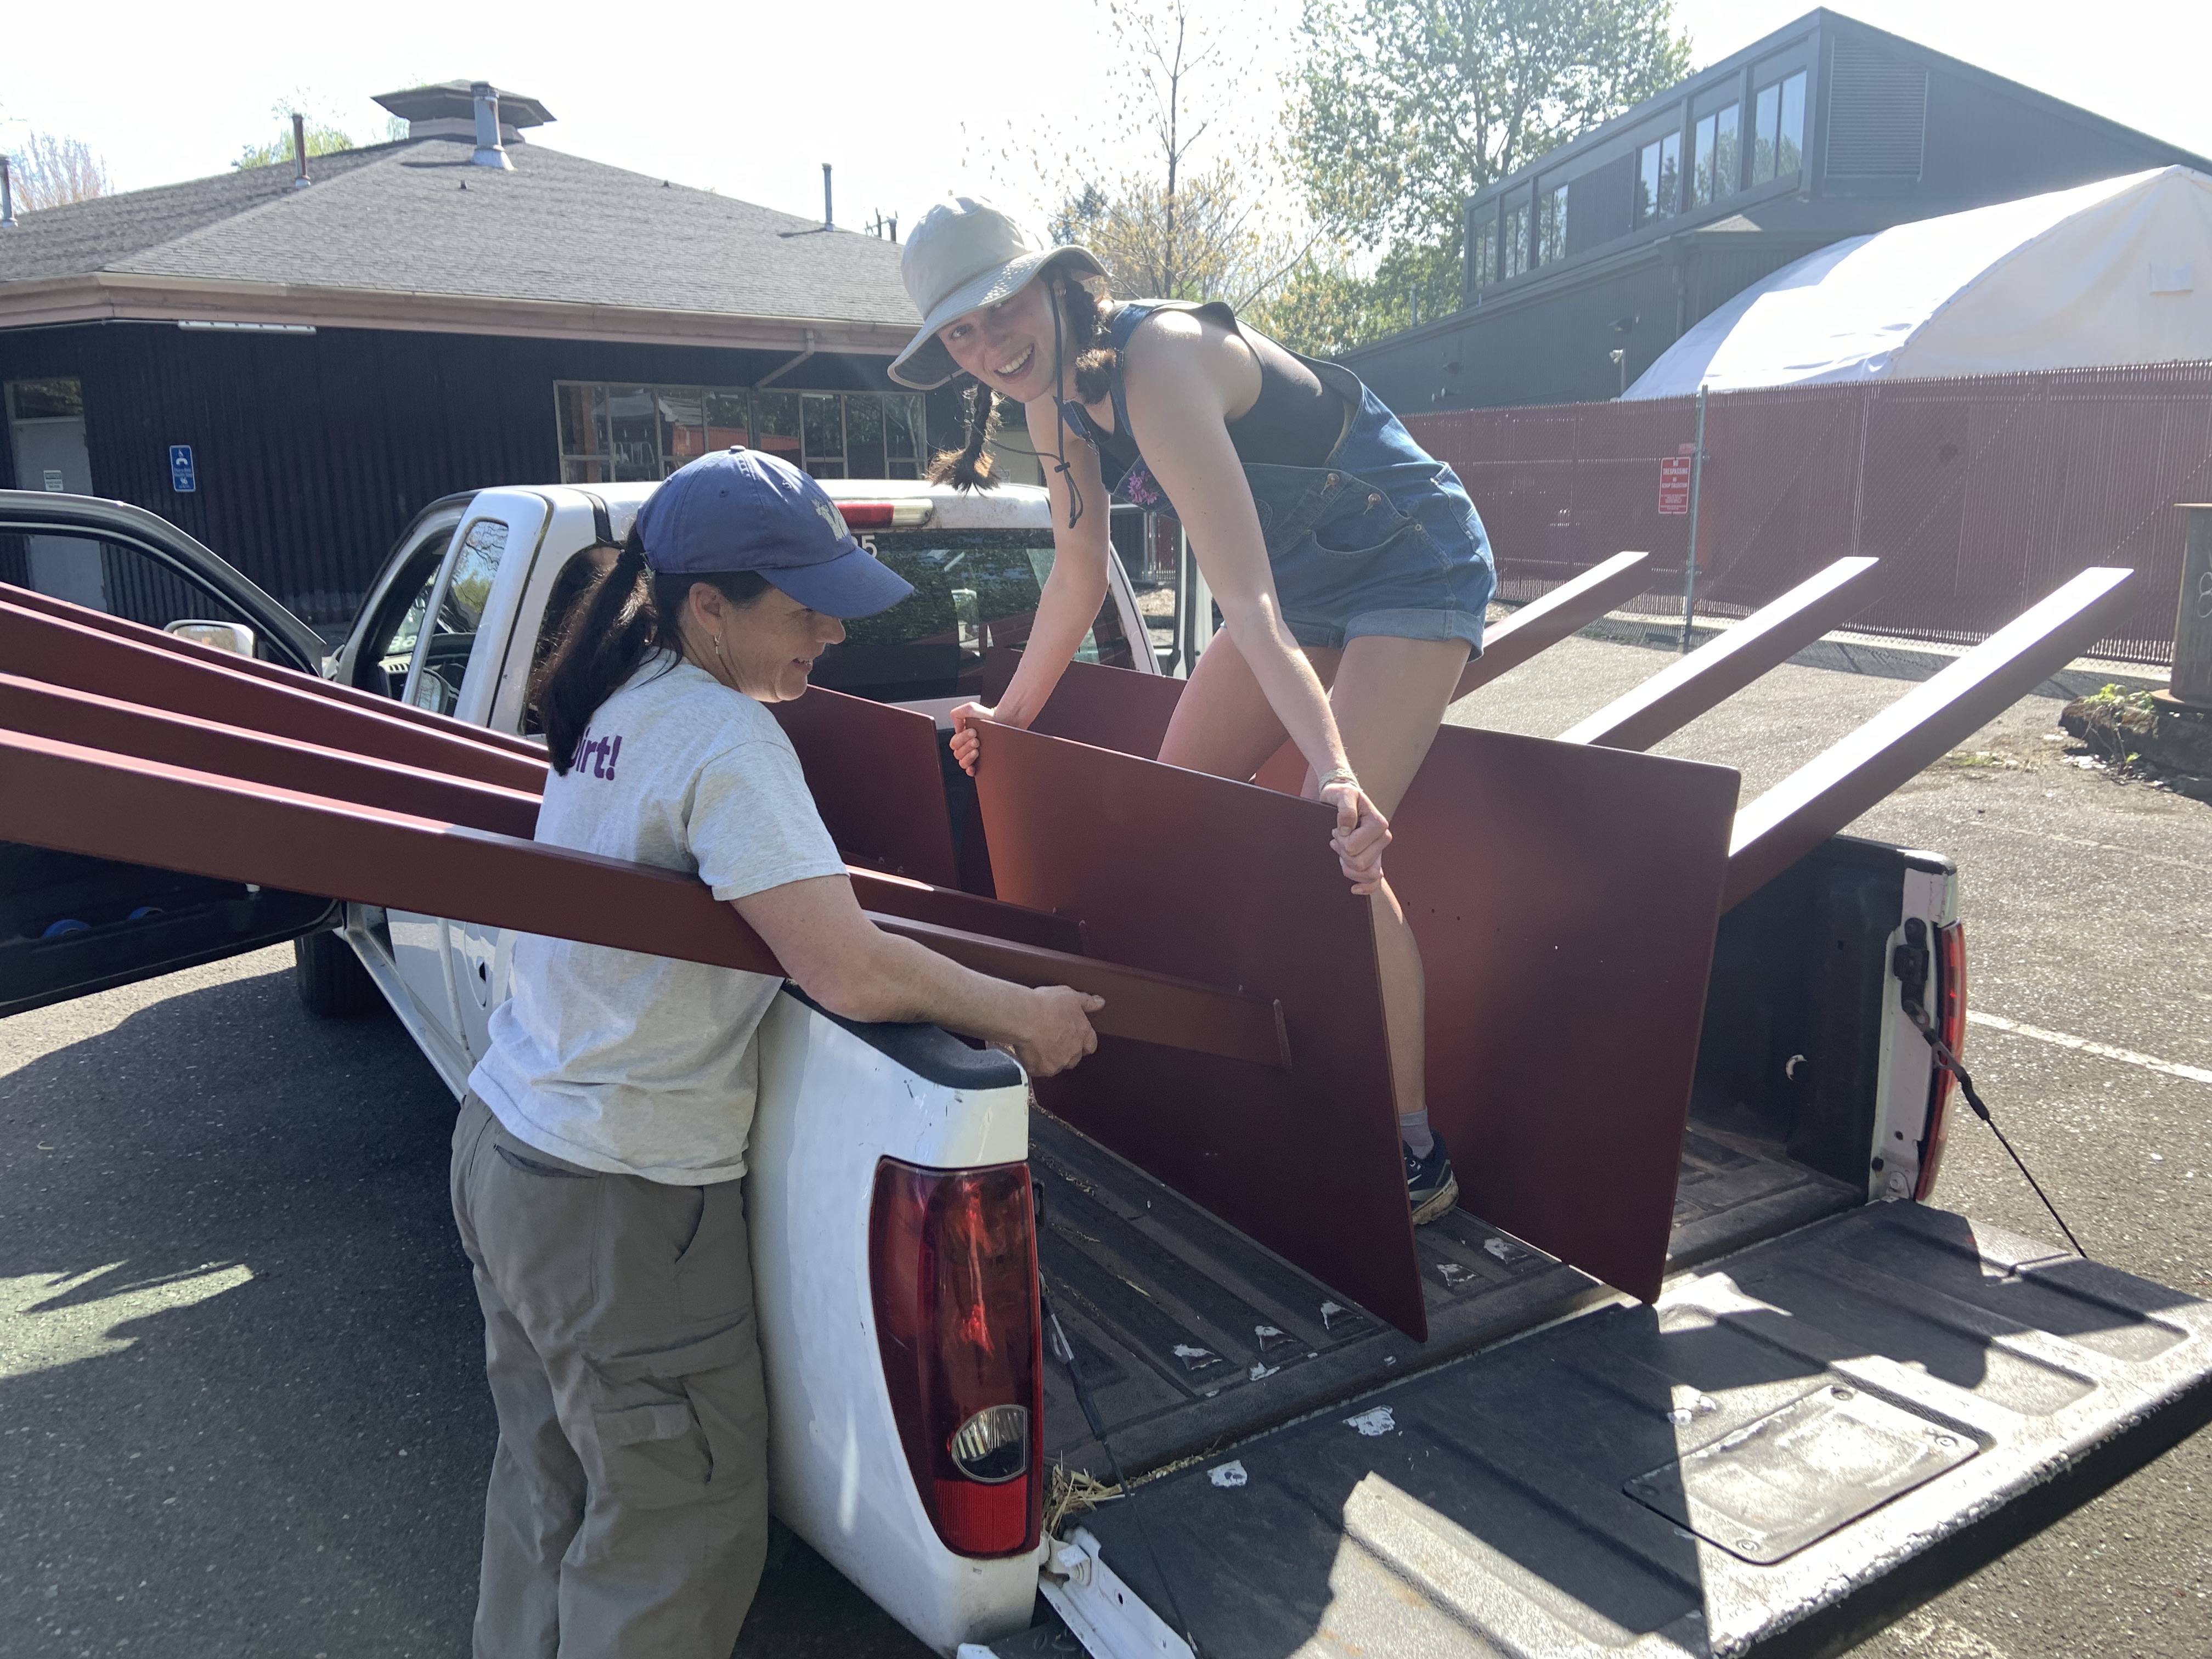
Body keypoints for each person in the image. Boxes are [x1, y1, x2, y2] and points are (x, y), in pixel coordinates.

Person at [450, 447, 1103, 1659]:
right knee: (675, 1532)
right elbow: (846, 967)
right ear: (710, 606)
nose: (831, 636)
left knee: (553, 1487)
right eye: (802, 610)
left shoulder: (617, 694)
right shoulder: (728, 742)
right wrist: (1023, 1011)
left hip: (511, 1147)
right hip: (618, 1202)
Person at [888, 198, 1497, 1227]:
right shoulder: (1055, 405)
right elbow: (1080, 572)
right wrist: (1009, 715)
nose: (988, 346)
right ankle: (1236, 1047)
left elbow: (1247, 606)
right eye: (961, 333)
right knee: (1175, 805)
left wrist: (1340, 775)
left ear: (1052, 284)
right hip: (1302, 586)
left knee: (1332, 847)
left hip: (1409, 556)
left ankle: (1415, 1147)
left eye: (999, 311)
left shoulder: (1158, 362)